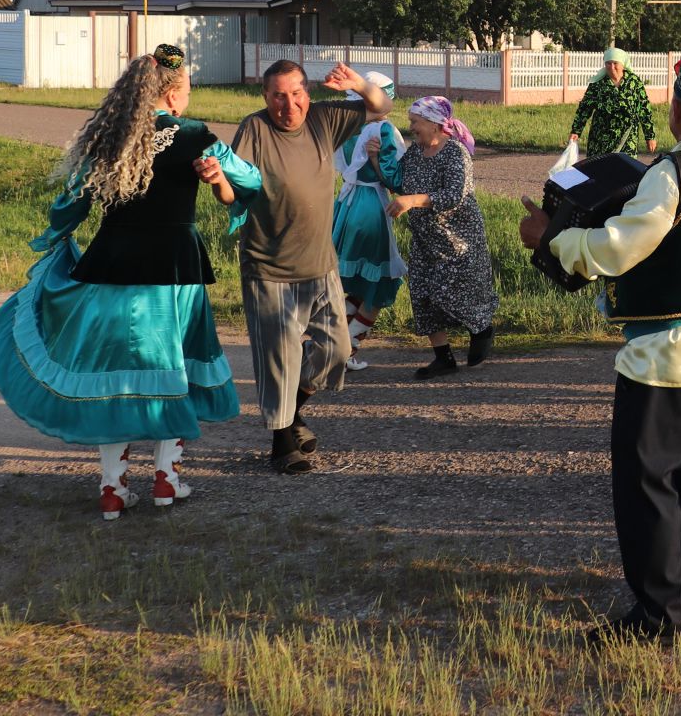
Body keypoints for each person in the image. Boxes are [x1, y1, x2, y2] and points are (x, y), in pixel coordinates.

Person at [517, 54, 681, 641]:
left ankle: (659, 615)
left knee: (648, 479)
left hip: (669, 350)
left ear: (678, 108)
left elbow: (616, 250)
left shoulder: (675, 171)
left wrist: (550, 237)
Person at [0, 45, 258, 519]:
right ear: (172, 96)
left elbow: (68, 205)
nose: (187, 101)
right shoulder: (196, 137)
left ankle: (112, 488)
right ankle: (166, 482)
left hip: (110, 268)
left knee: (113, 376)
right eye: (187, 92)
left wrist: (56, 236)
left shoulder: (109, 139)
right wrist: (220, 182)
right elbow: (249, 182)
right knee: (173, 369)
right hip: (175, 272)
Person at [200, 58, 390, 475]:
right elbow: (235, 193)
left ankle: (294, 412)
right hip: (270, 267)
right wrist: (218, 182)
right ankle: (280, 442)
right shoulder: (255, 129)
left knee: (336, 351)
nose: (289, 105)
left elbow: (381, 106)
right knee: (278, 359)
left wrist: (357, 83)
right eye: (278, 96)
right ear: (265, 97)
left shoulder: (324, 119)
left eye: (296, 93)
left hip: (321, 265)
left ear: (307, 92)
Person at [377, 96, 497, 380]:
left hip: (458, 239)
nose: (411, 128)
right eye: (411, 122)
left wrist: (414, 200)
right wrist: (374, 157)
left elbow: (455, 195)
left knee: (456, 292)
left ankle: (481, 329)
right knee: (423, 294)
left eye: (415, 122)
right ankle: (443, 358)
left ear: (433, 124)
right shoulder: (416, 153)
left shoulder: (455, 152)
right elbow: (398, 183)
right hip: (425, 238)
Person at [332, 71, 404, 371]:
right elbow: (395, 179)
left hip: (345, 205)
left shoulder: (343, 127)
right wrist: (377, 162)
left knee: (357, 284)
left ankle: (334, 345)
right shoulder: (383, 131)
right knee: (382, 281)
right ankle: (346, 349)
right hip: (371, 207)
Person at [570, 47, 657, 158]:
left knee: (625, 170)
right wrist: (576, 131)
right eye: (608, 63)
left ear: (622, 64)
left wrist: (650, 136)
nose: (611, 67)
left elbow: (645, 109)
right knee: (600, 171)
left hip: (628, 138)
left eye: (615, 63)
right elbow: (584, 109)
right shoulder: (597, 84)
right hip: (601, 139)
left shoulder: (634, 82)